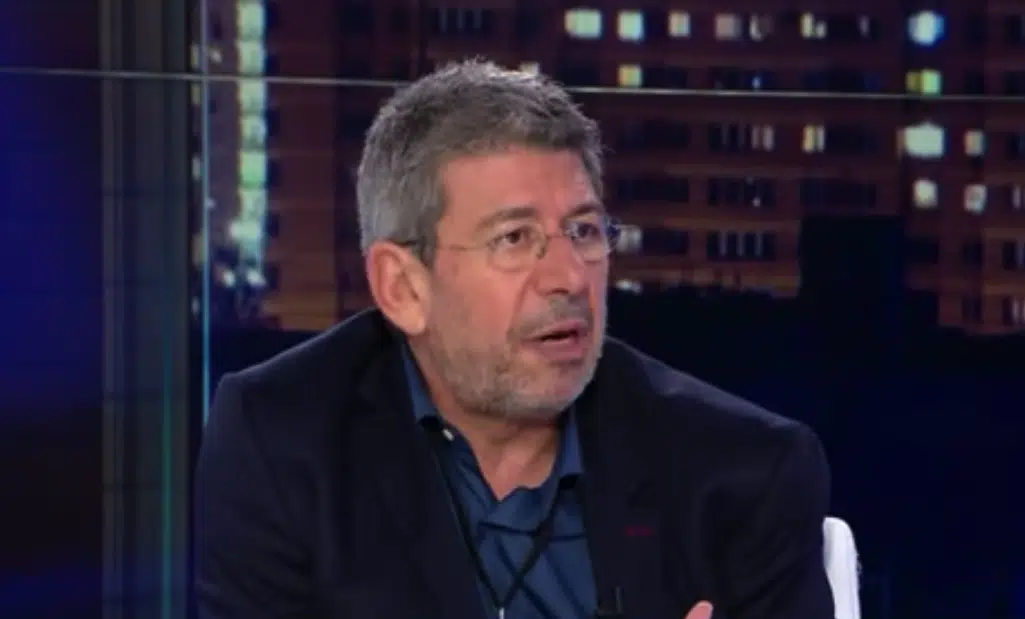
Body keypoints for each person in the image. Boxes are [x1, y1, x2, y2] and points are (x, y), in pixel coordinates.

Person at [194, 59, 834, 619]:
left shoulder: (742, 476)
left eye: (584, 232)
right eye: (514, 238)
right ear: (403, 287)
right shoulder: (283, 439)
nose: (569, 277)